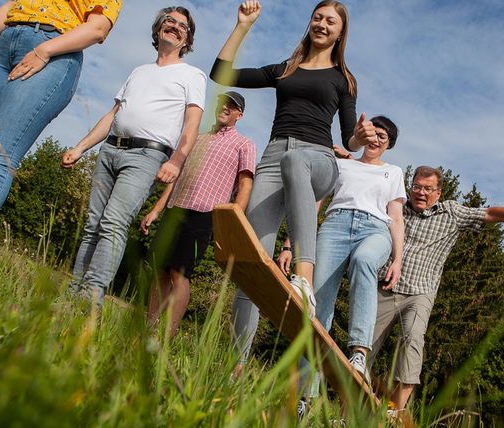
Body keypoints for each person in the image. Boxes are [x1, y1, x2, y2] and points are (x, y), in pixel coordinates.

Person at [209, 0, 377, 374]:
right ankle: (235, 368)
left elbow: (349, 140)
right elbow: (221, 74)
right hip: (273, 157)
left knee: (295, 160)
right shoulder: (286, 69)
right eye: (318, 17)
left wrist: (360, 138)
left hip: (318, 159)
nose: (322, 24)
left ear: (340, 31)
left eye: (331, 21)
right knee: (252, 259)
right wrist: (243, 26)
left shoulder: (343, 79)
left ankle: (305, 277)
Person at [0, 1, 121, 261]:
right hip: (4, 46)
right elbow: (11, 7)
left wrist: (44, 50)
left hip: (54, 51)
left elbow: (97, 29)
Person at [368, 166, 504, 417]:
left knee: (413, 341)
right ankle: (349, 403)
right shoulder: (397, 206)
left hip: (421, 292)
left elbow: (491, 213)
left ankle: (395, 409)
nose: (421, 192)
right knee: (364, 344)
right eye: (417, 186)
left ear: (438, 193)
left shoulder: (452, 212)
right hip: (386, 285)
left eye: (428, 189)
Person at [62, 6, 205, 305]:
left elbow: (192, 124)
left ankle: (90, 300)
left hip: (146, 156)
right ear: (158, 29)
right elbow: (113, 114)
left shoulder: (192, 75)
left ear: (187, 39)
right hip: (111, 149)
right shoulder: (138, 71)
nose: (175, 27)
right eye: (170, 21)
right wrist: (80, 147)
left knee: (113, 223)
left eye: (183, 26)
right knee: (93, 223)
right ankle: (72, 294)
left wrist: (176, 161)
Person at [277, 116, 406, 413]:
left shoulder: (393, 173)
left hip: (375, 229)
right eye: (372, 133)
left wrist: (398, 260)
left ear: (389, 145)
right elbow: (312, 206)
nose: (375, 140)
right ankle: (302, 397)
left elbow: (396, 218)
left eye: (382, 137)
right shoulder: (341, 164)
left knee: (363, 261)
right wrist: (289, 244)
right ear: (362, 135)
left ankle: (358, 351)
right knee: (317, 304)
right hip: (335, 226)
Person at [140, 91, 256, 337]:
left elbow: (245, 185)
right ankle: (147, 329)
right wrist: (157, 209)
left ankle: (166, 336)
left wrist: (233, 223)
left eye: (232, 106)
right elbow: (175, 176)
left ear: (239, 114)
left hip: (205, 214)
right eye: (223, 103)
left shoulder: (244, 144)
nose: (225, 107)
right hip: (176, 208)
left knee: (180, 274)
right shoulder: (198, 138)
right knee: (160, 269)